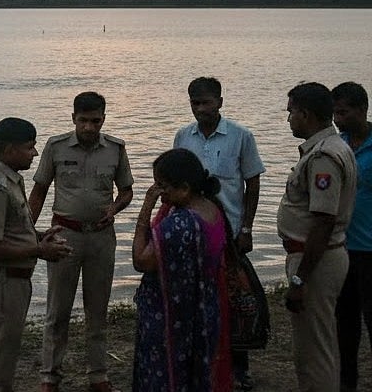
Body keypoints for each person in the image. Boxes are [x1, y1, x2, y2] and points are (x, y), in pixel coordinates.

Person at [29, 91, 134, 392]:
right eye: (83, 120)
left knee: (97, 310)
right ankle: (50, 377)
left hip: (101, 238)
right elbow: (39, 191)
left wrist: (115, 208)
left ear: (104, 119)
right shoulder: (56, 147)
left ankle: (98, 375)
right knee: (57, 311)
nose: (89, 127)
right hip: (64, 236)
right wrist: (27, 232)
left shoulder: (115, 149)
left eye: (95, 121)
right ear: (73, 118)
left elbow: (126, 190)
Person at [173, 76, 265, 390]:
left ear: (220, 102)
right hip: (192, 231)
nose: (200, 109)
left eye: (206, 102)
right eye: (194, 103)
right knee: (196, 297)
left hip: (229, 232)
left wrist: (247, 228)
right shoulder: (183, 137)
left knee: (233, 298)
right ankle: (201, 362)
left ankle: (239, 368)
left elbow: (252, 183)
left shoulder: (241, 136)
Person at [0, 117, 72, 392]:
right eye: (30, 147)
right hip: (2, 283)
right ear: (9, 150)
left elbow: (9, 232)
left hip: (12, 282)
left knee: (3, 356)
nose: (35, 153)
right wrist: (39, 250)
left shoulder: (11, 181)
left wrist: (39, 236)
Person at [277, 81, 358, 392]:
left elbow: (324, 221)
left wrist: (300, 280)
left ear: (306, 114)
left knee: (313, 352)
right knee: (319, 344)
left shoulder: (324, 155)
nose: (289, 119)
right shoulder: (330, 148)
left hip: (316, 260)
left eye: (291, 113)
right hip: (318, 256)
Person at [131, 149, 232, 391]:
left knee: (165, 374)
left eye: (162, 186)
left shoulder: (181, 223)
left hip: (172, 315)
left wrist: (146, 208)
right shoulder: (213, 209)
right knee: (196, 371)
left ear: (185, 188)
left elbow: (141, 261)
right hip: (203, 308)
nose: (159, 193)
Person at [332, 81, 372, 392]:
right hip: (342, 248)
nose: (337, 119)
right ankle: (347, 384)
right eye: (334, 113)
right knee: (345, 324)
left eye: (344, 113)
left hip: (370, 250)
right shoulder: (338, 145)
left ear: (362, 109)